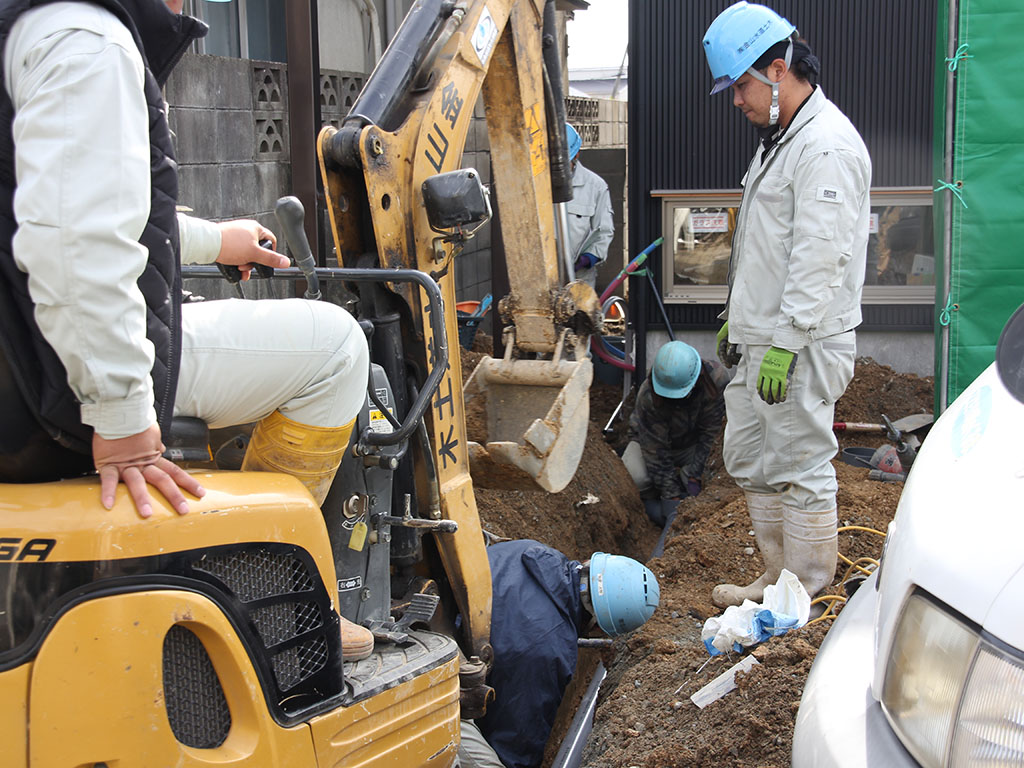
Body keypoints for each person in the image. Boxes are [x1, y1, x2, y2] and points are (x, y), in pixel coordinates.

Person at [0, 0, 373, 658]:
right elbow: (77, 245)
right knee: (338, 349)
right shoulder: (90, 42)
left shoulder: (35, 29)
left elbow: (69, 201)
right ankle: (269, 596)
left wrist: (215, 240)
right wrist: (122, 425)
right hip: (47, 381)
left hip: (24, 349)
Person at [701, 2, 870, 608]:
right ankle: (778, 579)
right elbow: (764, 247)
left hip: (799, 343)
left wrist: (787, 338)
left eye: (741, 85)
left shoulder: (824, 147)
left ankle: (807, 593)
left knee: (799, 462)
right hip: (763, 338)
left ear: (777, 70)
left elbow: (818, 257)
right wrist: (737, 322)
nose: (736, 100)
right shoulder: (780, 141)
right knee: (750, 456)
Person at [463, 539, 659, 768]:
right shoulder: (547, 651)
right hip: (434, 691)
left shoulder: (531, 550)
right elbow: (517, 739)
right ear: (598, 625)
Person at [621, 340, 728, 526]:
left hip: (692, 445)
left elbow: (711, 434)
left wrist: (695, 475)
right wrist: (671, 496)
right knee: (635, 477)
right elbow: (655, 450)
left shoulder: (715, 380)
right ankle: (648, 505)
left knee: (714, 473)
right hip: (652, 443)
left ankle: (686, 482)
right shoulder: (649, 395)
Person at [564, 122, 614, 289]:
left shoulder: (595, 187)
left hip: (579, 280)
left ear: (576, 155)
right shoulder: (537, 187)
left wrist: (588, 257)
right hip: (541, 278)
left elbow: (604, 232)